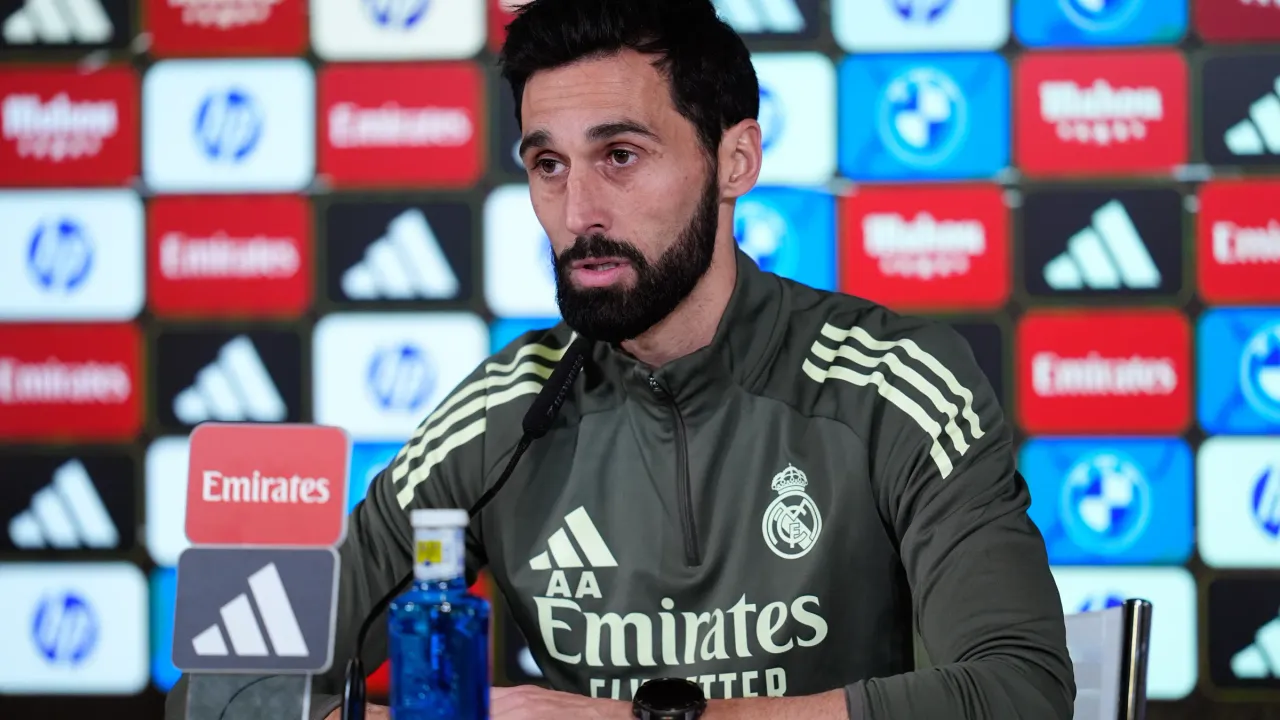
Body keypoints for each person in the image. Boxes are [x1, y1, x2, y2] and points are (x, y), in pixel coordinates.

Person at [166, 0, 1075, 718]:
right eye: (548, 165)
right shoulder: (503, 414)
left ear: (735, 160)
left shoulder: (894, 383)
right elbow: (223, 692)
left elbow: (1021, 691)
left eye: (622, 156)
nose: (578, 213)